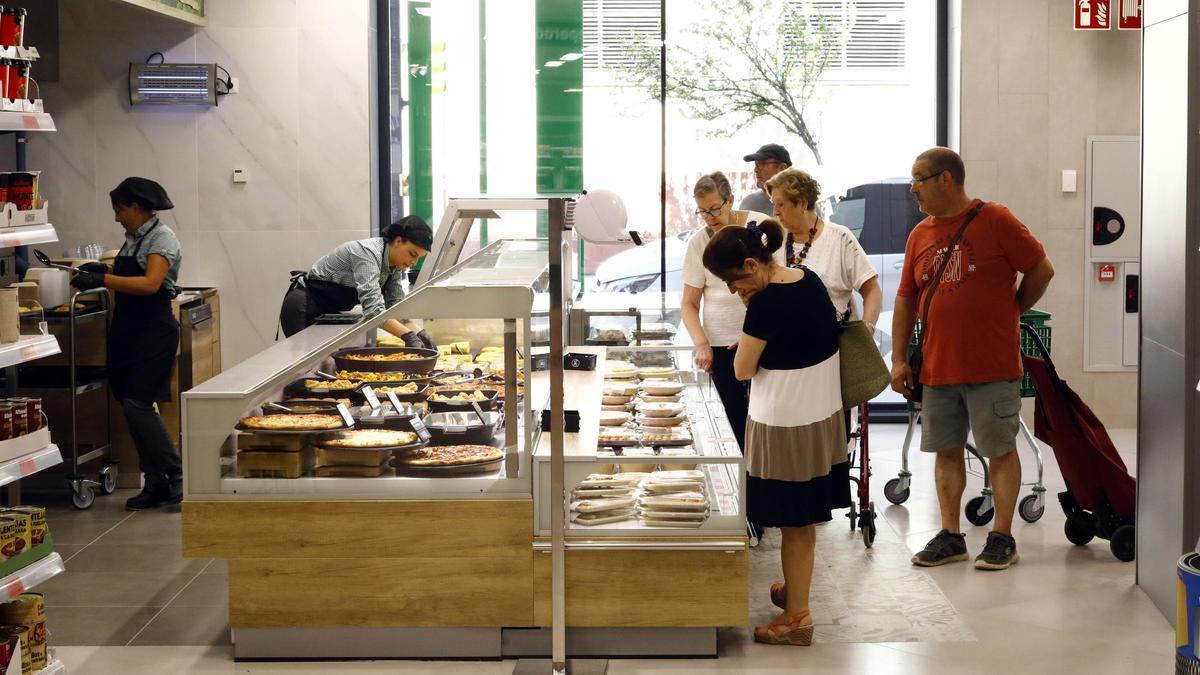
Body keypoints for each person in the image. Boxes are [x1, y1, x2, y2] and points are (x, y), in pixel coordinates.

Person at [892, 147, 1054, 571]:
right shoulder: (919, 235)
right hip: (938, 365)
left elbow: (1041, 268)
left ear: (946, 179)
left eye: (918, 179)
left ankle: (1002, 537)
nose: (913, 189)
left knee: (999, 449)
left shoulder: (996, 219)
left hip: (991, 365)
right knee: (946, 450)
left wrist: (1014, 308)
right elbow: (906, 299)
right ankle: (951, 536)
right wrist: (898, 359)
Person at [702, 219, 849, 646]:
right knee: (802, 518)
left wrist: (751, 334)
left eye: (733, 281)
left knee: (794, 522)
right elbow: (801, 341)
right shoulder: (810, 280)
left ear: (752, 263)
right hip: (820, 418)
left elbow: (744, 368)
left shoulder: (765, 305)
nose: (733, 291)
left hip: (786, 424)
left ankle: (797, 617)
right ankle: (794, 590)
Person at [70, 177, 184, 510]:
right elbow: (131, 273)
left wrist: (102, 279)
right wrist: (101, 268)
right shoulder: (134, 238)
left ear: (136, 207)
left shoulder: (162, 237)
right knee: (132, 408)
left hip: (154, 331)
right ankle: (156, 482)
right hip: (127, 331)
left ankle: (176, 473)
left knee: (139, 405)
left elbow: (150, 283)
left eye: (119, 210)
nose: (117, 217)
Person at [680, 171, 771, 452]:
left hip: (764, 341)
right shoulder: (698, 242)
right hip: (720, 348)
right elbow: (689, 304)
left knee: (766, 423)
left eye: (715, 209)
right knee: (733, 426)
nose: (710, 218)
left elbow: (775, 285)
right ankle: (743, 490)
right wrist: (702, 344)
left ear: (730, 200)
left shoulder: (760, 228)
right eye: (703, 212)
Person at [278, 216, 434, 346]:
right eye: (412, 254)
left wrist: (420, 333)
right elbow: (373, 311)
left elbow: (396, 307)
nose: (413, 262)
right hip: (303, 307)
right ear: (398, 241)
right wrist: (408, 336)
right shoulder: (367, 253)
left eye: (418, 258)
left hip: (327, 312)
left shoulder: (393, 266)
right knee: (303, 367)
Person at [738, 144, 791, 214]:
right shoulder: (748, 204)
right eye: (756, 165)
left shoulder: (799, 204)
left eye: (762, 164)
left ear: (782, 168)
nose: (756, 170)